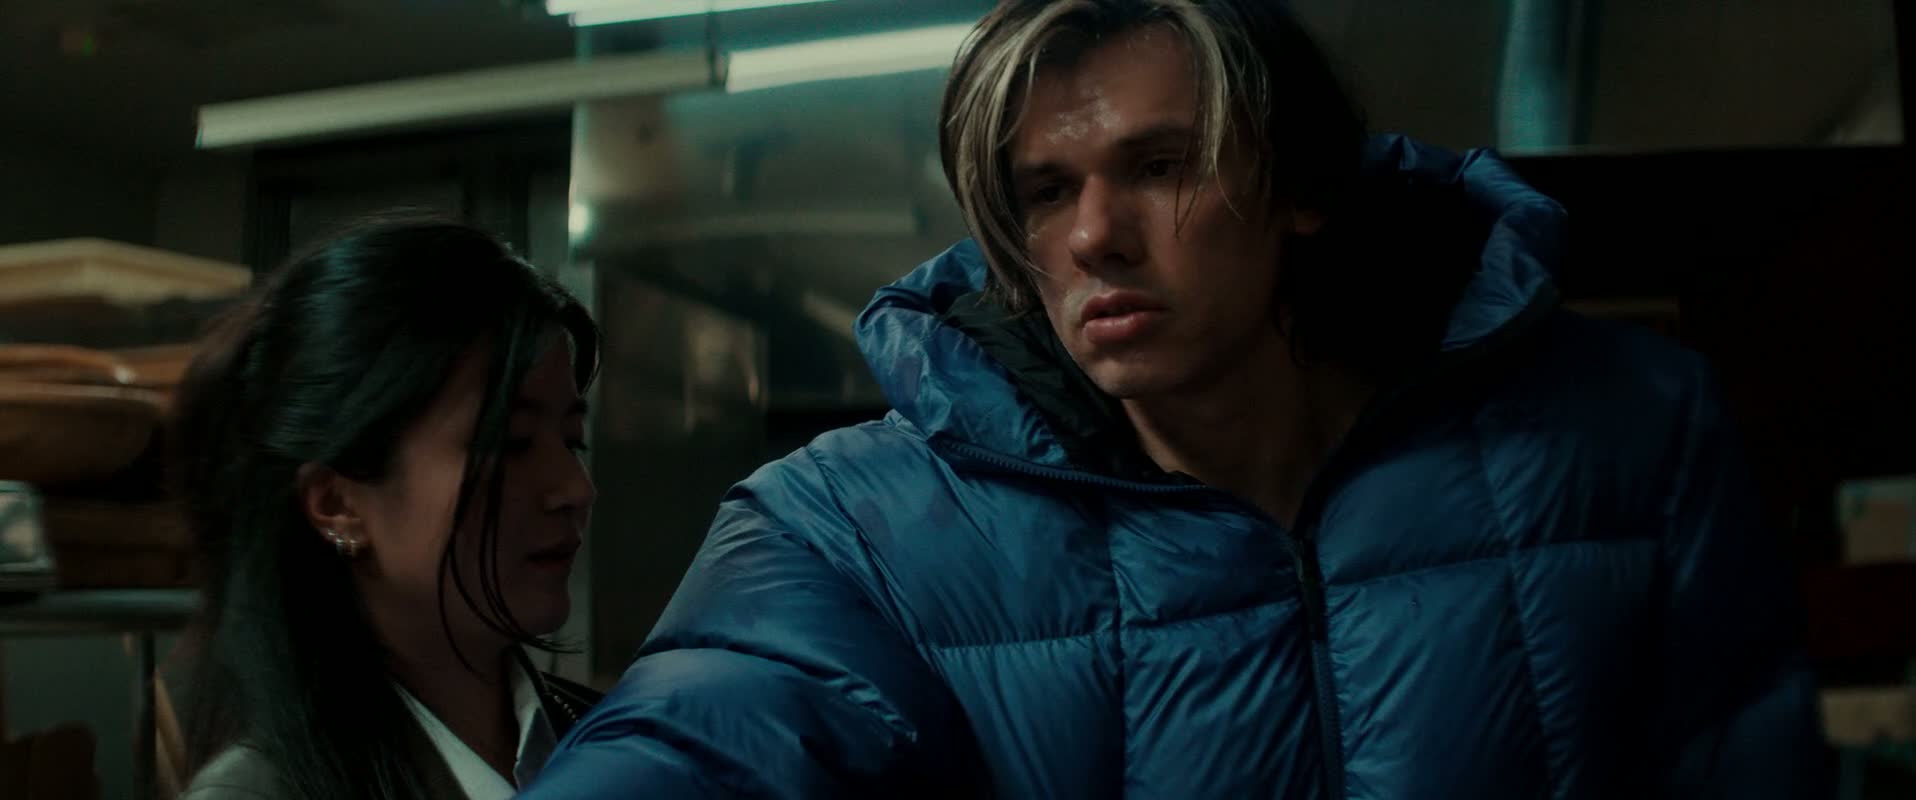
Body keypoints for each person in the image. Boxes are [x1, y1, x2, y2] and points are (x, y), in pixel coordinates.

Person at [526, 2, 1825, 797]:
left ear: (1299, 189)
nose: (1094, 235)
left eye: (1159, 165)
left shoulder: (1621, 431)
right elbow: (705, 742)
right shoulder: (857, 527)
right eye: (1045, 191)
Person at [171, 219, 604, 800]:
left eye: (572, 441)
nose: (574, 488)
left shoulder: (620, 744)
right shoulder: (262, 793)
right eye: (510, 443)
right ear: (338, 503)